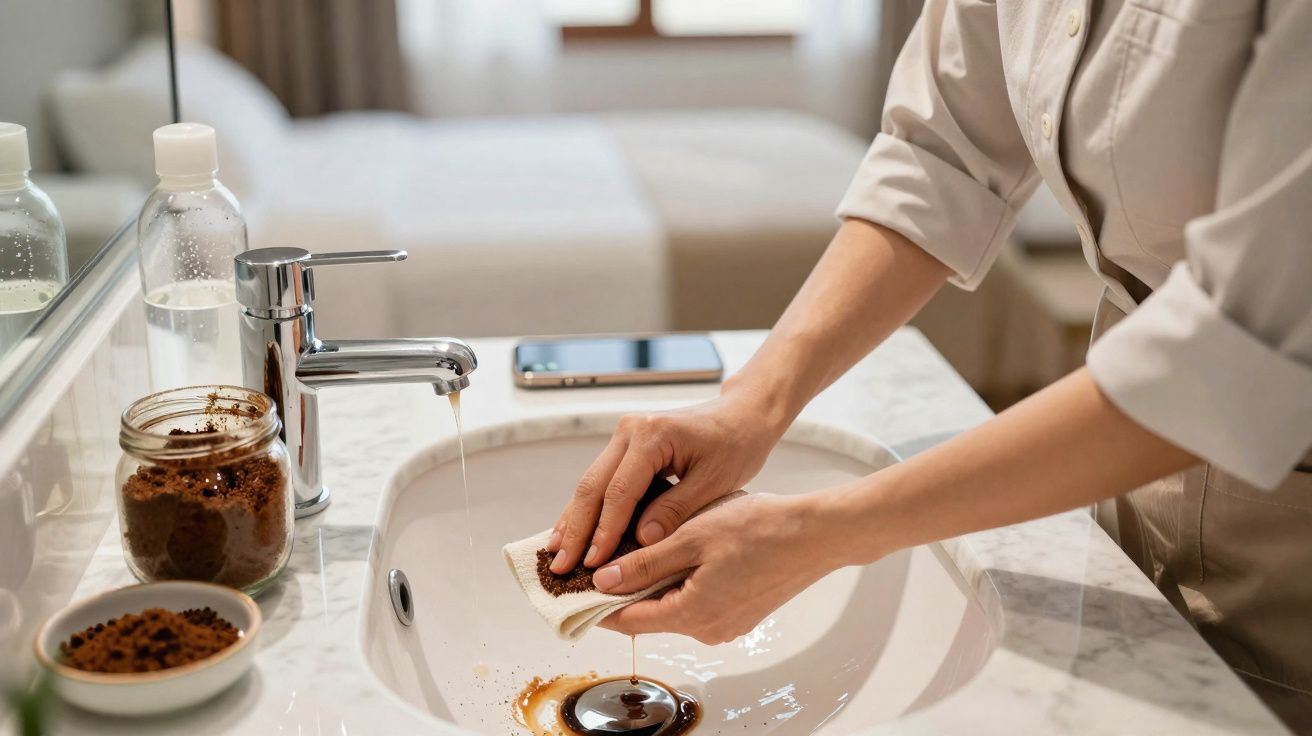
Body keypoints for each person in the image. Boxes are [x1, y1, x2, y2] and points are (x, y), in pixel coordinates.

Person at [544, 0, 1312, 729]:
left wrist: (819, 532)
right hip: (1115, 455)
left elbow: (1231, 347)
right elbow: (939, 155)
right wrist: (748, 405)